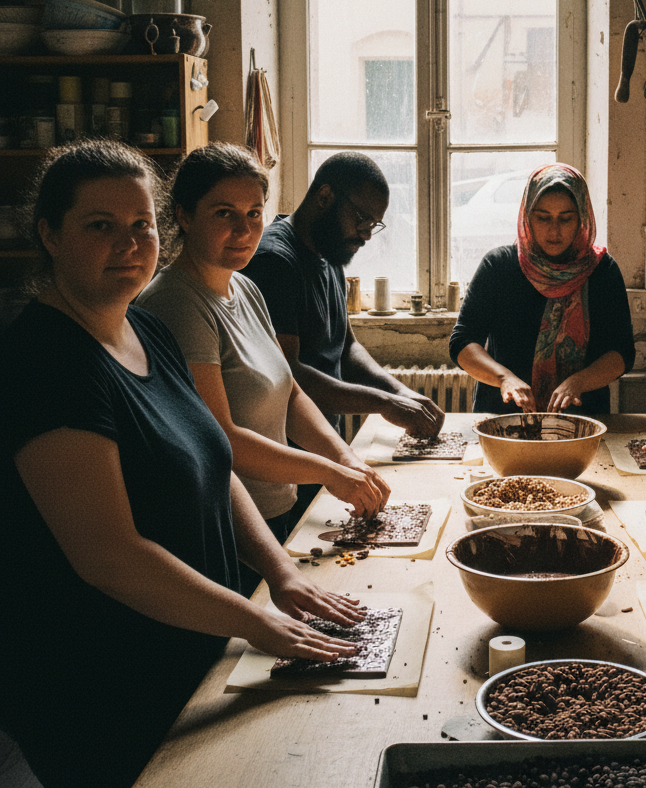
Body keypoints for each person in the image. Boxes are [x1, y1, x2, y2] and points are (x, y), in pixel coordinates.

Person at [0, 140, 369, 788]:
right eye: (100, 226)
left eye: (140, 225)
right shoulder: (46, 363)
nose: (129, 243)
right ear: (49, 235)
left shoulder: (147, 331)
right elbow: (110, 557)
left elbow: (216, 462)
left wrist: (279, 574)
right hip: (99, 685)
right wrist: (255, 619)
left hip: (190, 645)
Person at [136, 144, 390, 555]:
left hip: (275, 509)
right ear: (184, 215)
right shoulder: (176, 303)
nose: (244, 229)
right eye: (224, 214)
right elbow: (222, 438)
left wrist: (347, 459)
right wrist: (330, 471)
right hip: (223, 526)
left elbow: (291, 393)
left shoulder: (244, 286)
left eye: (254, 213)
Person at [242, 152, 445, 440]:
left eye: (374, 224)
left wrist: (400, 392)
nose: (366, 235)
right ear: (325, 196)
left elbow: (347, 348)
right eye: (362, 219)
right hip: (285, 448)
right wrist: (384, 403)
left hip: (322, 442)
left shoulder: (329, 252)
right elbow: (288, 375)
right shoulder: (275, 261)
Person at [450, 162, 634, 414]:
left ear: (582, 216)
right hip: (505, 415)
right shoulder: (499, 266)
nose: (554, 230)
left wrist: (578, 382)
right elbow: (462, 342)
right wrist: (504, 378)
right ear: (527, 216)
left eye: (566, 218)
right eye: (543, 217)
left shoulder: (602, 271)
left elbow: (622, 352)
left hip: (580, 416)